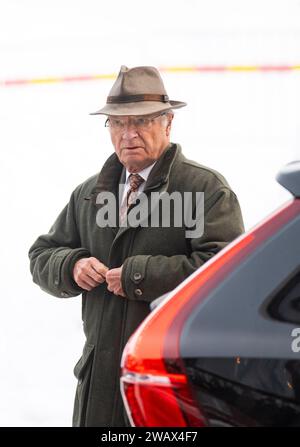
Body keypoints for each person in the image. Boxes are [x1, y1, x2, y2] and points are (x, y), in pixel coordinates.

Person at [28, 65, 245, 427]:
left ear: (168, 123)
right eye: (117, 123)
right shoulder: (88, 194)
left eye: (141, 122)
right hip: (98, 387)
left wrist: (138, 275)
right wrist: (71, 266)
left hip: (167, 387)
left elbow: (225, 275)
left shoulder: (205, 190)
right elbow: (41, 255)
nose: (128, 134)